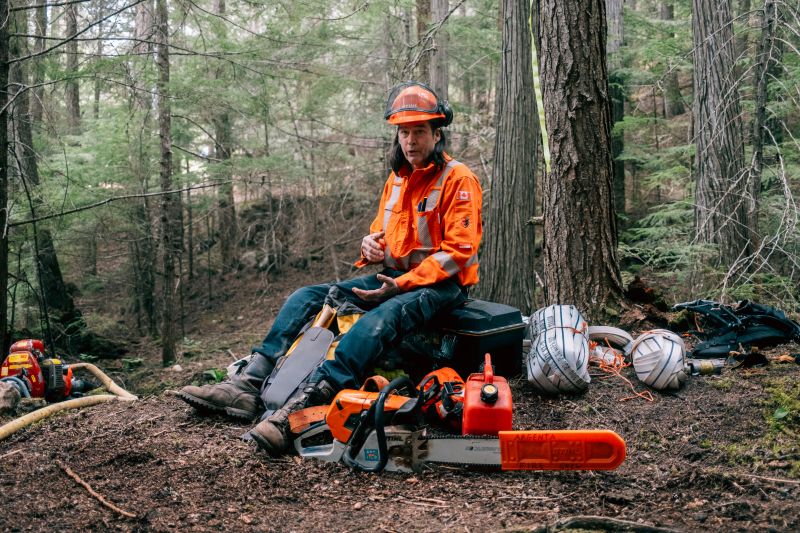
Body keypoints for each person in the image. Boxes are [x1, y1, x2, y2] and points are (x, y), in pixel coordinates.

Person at [178, 81, 483, 455]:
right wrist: (370, 245)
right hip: (394, 278)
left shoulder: (459, 179)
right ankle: (248, 383)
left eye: (419, 131)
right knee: (306, 297)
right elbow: (384, 233)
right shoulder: (398, 179)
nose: (409, 140)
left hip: (441, 287)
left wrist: (400, 284)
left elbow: (459, 252)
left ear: (437, 135)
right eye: (404, 132)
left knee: (376, 322)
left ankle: (301, 408)